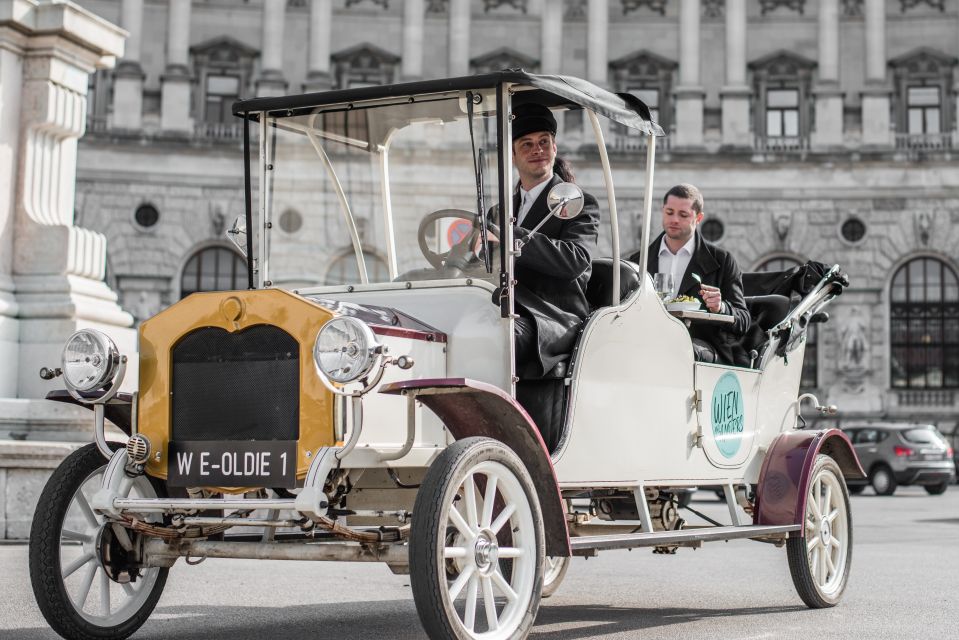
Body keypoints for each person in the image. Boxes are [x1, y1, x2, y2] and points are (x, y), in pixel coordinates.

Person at [507, 103, 600, 378]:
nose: (537, 150)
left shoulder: (579, 202)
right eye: (527, 144)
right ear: (513, 156)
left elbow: (576, 260)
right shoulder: (500, 211)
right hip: (506, 309)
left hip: (552, 317)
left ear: (554, 149)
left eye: (544, 142)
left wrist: (511, 237)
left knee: (495, 336)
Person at [629, 183, 749, 364]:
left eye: (683, 215)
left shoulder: (722, 261)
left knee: (678, 349)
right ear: (662, 211)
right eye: (669, 212)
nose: (674, 219)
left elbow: (744, 320)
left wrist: (721, 307)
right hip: (650, 344)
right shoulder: (640, 260)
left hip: (703, 350)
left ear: (698, 218)